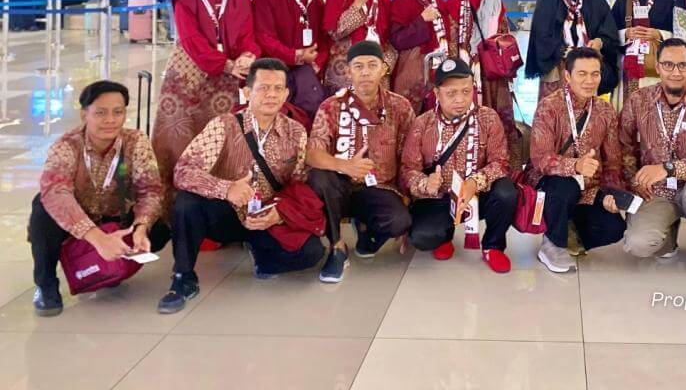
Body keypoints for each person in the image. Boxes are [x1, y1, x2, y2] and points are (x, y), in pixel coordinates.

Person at [158, 58, 324, 314]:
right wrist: (226, 189)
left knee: (311, 252)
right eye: (263, 88)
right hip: (226, 214)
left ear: (286, 94)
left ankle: (261, 255)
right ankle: (183, 277)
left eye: (278, 88)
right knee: (186, 204)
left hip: (266, 216)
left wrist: (279, 212)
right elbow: (183, 172)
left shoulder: (296, 131)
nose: (271, 95)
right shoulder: (224, 125)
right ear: (247, 92)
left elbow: (299, 182)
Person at [29, 81, 169, 316]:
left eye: (118, 112)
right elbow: (56, 192)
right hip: (76, 219)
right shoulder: (67, 145)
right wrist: (97, 238)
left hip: (117, 217)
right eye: (100, 113)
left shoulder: (135, 141)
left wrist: (141, 227)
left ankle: (109, 268)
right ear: (84, 114)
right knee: (43, 208)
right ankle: (46, 285)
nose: (110, 120)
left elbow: (151, 190)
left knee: (161, 230)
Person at [151, 0, 260, 204]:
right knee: (182, 136)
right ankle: (173, 205)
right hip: (190, 77)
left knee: (224, 138)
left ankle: (224, 202)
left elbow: (248, 32)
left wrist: (248, 55)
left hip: (228, 81)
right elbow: (191, 40)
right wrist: (227, 64)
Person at [619, 39, 686, 280]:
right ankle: (667, 238)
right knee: (638, 244)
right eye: (668, 65)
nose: (675, 72)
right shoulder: (638, 101)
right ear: (657, 67)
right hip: (655, 191)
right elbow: (624, 146)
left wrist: (669, 169)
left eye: (682, 65)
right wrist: (634, 181)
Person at [306, 41, 415, 282]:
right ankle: (337, 247)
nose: (365, 71)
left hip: (379, 187)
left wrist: (408, 196)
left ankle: (367, 236)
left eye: (372, 65)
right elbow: (312, 153)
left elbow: (410, 156)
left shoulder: (399, 106)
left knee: (400, 220)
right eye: (358, 66)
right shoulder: (332, 106)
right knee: (318, 177)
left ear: (383, 69)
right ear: (349, 71)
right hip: (338, 188)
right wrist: (344, 166)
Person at [400, 57, 516, 274]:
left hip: (478, 195)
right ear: (437, 94)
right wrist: (425, 183)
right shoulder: (422, 124)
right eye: (451, 94)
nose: (460, 99)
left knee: (506, 193)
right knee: (423, 238)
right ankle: (443, 236)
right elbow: (408, 169)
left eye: (466, 91)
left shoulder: (488, 118)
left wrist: (475, 182)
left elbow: (500, 163)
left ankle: (493, 246)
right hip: (439, 196)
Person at [529, 47, 625, 273]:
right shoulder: (549, 106)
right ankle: (553, 244)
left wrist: (612, 192)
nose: (589, 81)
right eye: (582, 74)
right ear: (568, 76)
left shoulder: (605, 110)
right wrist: (575, 166)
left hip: (589, 188)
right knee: (566, 186)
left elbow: (613, 160)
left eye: (595, 74)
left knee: (615, 228)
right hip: (551, 184)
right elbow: (539, 159)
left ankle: (569, 230)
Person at [526, 0, 619, 100]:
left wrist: (599, 42)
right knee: (556, 115)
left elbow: (608, 28)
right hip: (557, 68)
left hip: (588, 68)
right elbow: (541, 34)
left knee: (587, 118)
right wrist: (564, 51)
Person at [252, 0, 329, 123]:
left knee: (312, 106)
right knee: (277, 112)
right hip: (274, 65)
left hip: (306, 67)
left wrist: (317, 61)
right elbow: (263, 36)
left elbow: (324, 36)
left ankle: (305, 150)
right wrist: (295, 55)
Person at [445, 0, 516, 148]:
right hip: (466, 70)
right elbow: (451, 40)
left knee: (498, 113)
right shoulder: (453, 3)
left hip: (493, 70)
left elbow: (503, 32)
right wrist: (457, 70)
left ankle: (500, 157)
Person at [389, 0, 454, 114]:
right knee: (412, 121)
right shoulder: (401, 2)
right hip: (414, 76)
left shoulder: (438, 1)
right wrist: (422, 19)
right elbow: (397, 40)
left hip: (440, 73)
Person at [611, 0, 674, 101]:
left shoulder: (665, 0)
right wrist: (626, 34)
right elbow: (609, 32)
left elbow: (677, 32)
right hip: (628, 65)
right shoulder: (622, 1)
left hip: (657, 64)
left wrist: (658, 34)